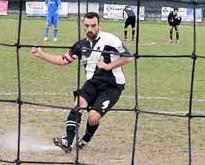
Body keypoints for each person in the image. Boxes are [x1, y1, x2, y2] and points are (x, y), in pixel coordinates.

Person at [30, 12, 133, 152]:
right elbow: (63, 60)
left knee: (93, 117)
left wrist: (108, 66)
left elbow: (128, 57)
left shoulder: (111, 40)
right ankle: (68, 141)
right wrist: (41, 54)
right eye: (87, 26)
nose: (90, 29)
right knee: (79, 104)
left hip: (113, 84)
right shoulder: (80, 45)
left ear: (99, 25)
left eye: (93, 25)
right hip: (93, 82)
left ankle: (85, 139)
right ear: (83, 26)